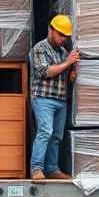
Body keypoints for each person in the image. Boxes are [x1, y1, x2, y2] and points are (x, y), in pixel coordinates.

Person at [28, 14, 80, 180]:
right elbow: (45, 72)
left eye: (66, 36)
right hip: (43, 98)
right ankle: (36, 169)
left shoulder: (64, 52)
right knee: (45, 131)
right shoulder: (39, 49)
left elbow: (64, 77)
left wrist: (72, 73)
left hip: (60, 99)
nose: (64, 39)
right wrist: (67, 63)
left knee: (57, 136)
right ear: (51, 31)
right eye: (61, 35)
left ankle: (52, 169)